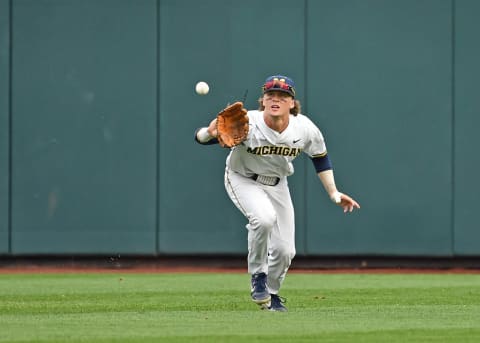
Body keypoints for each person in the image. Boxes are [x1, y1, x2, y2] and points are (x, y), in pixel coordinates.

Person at [194, 75, 360, 312]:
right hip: (242, 177)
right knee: (263, 219)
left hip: (277, 184)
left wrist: (333, 193)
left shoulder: (304, 128)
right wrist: (209, 132)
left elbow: (320, 158)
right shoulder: (248, 121)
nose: (276, 99)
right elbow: (200, 138)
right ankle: (258, 276)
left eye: (282, 96)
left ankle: (270, 294)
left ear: (292, 103)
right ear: (262, 100)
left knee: (285, 251)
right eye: (270, 95)